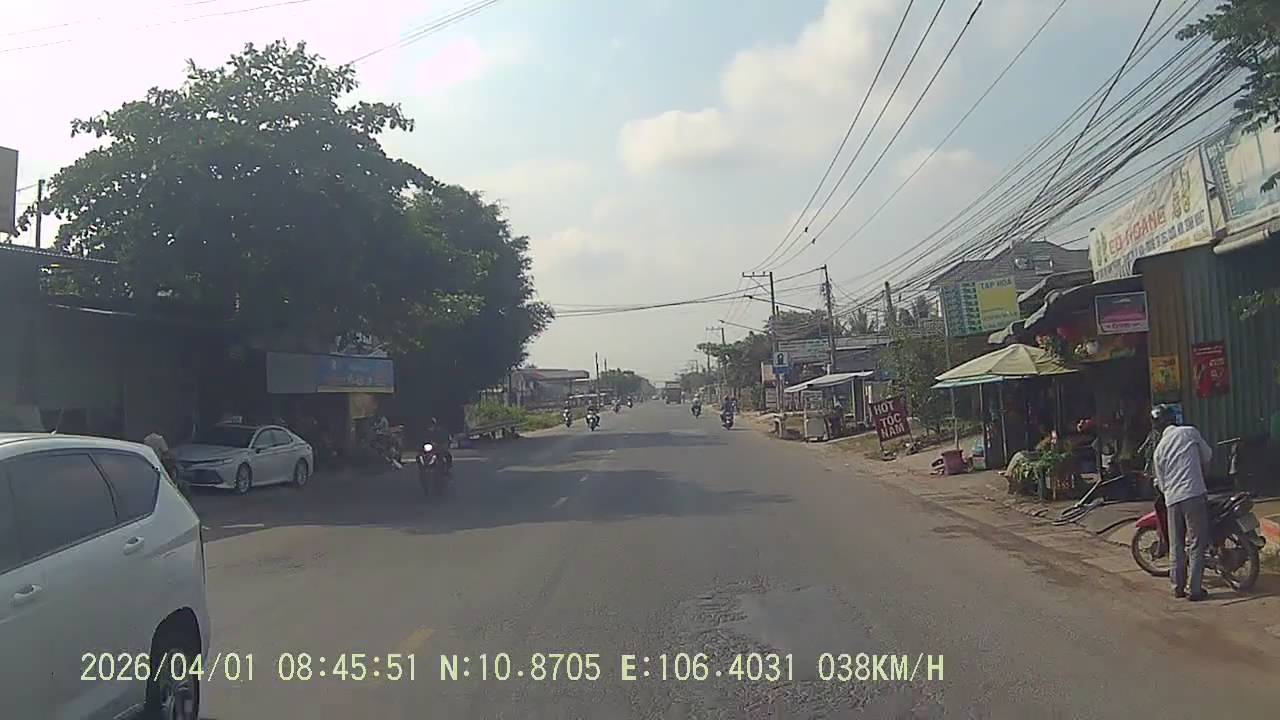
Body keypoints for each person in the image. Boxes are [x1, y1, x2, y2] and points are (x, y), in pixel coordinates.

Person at [1150, 405, 1213, 601]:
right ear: (1174, 419)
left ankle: (1177, 587)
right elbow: (1207, 456)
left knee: (1176, 545)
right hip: (1193, 494)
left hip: (1171, 499)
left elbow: (1161, 482)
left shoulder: (1159, 450)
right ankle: (1194, 589)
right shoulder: (1189, 432)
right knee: (1196, 543)